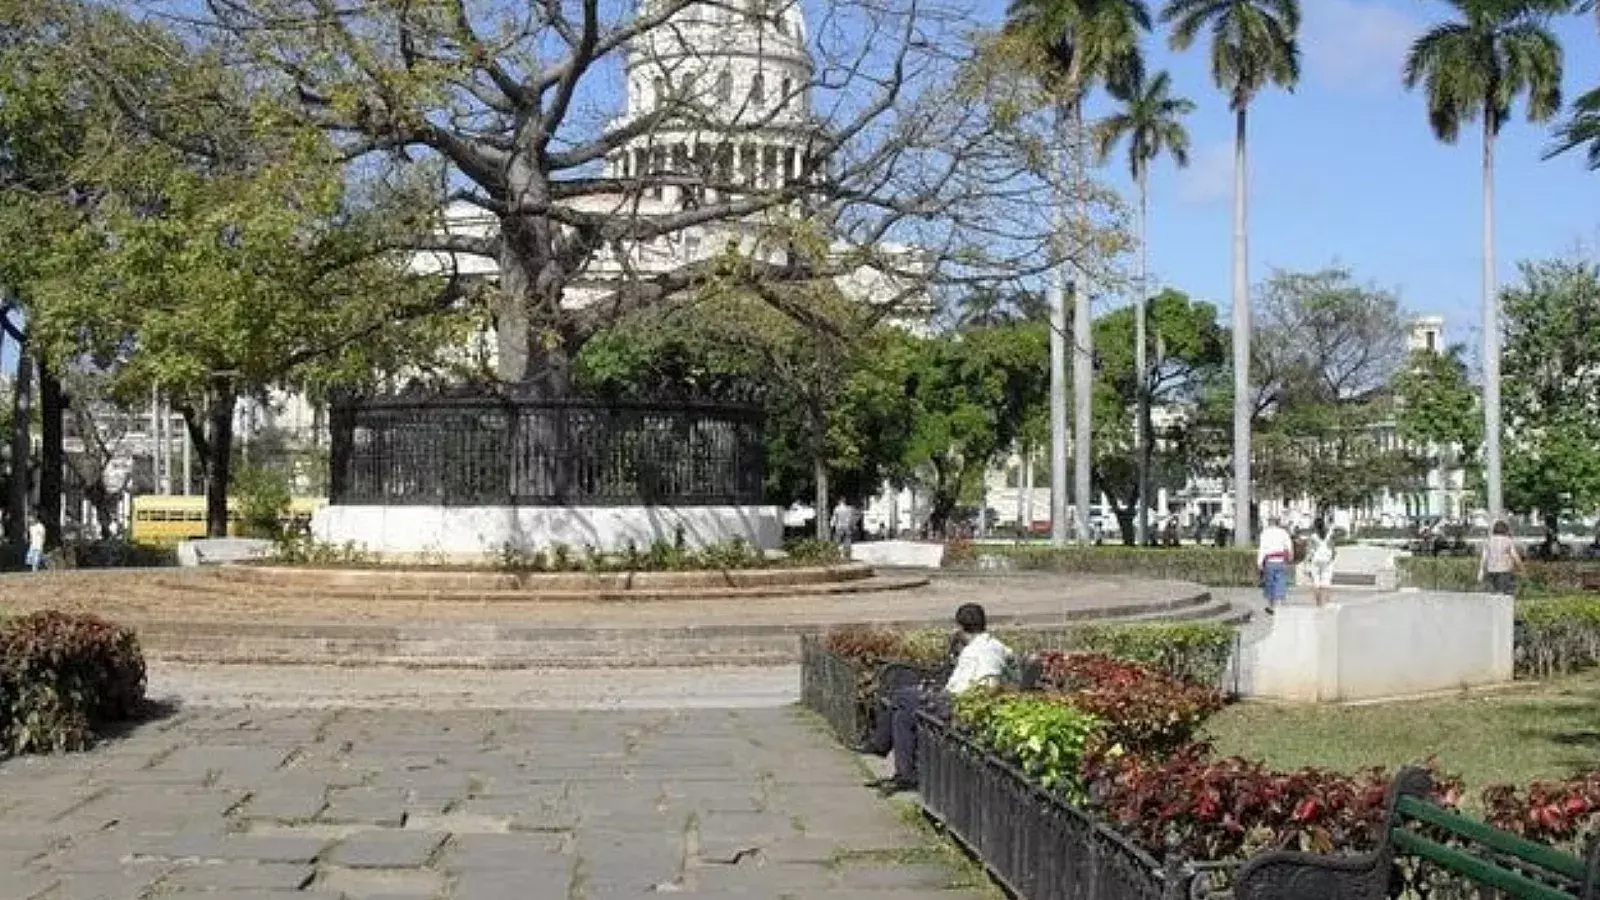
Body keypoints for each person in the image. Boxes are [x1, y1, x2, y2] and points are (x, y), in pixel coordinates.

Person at [858, 603, 1012, 795]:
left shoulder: (971, 653)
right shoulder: (994, 645)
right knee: (902, 716)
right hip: (967, 701)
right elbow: (1008, 656)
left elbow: (957, 689)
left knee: (901, 697)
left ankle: (880, 745)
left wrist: (935, 692)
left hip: (956, 704)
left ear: (960, 627)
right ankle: (904, 773)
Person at [1256, 516, 1294, 613]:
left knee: (1270, 583)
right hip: (1281, 560)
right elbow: (1289, 545)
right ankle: (1280, 604)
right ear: (1278, 522)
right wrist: (1290, 555)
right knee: (1280, 581)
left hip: (1270, 560)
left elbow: (1262, 548)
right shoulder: (1283, 532)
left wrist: (1259, 562)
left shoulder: (1265, 533)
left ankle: (1271, 605)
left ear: (1269, 523)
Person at [1479, 520, 1524, 596]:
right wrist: (1521, 568)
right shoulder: (1508, 541)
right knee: (1504, 593)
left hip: (1491, 570)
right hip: (1504, 570)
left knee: (1494, 593)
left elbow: (1484, 557)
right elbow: (1515, 556)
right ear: (1506, 529)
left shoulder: (1488, 541)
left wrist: (1481, 570)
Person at [1304, 518, 1337, 607]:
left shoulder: (1313, 537)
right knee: (1326, 582)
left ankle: (1318, 603)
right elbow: (1333, 548)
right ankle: (1326, 602)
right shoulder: (1329, 535)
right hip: (1327, 560)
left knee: (1316, 582)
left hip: (1316, 560)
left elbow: (1309, 551)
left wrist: (1306, 563)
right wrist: (1332, 558)